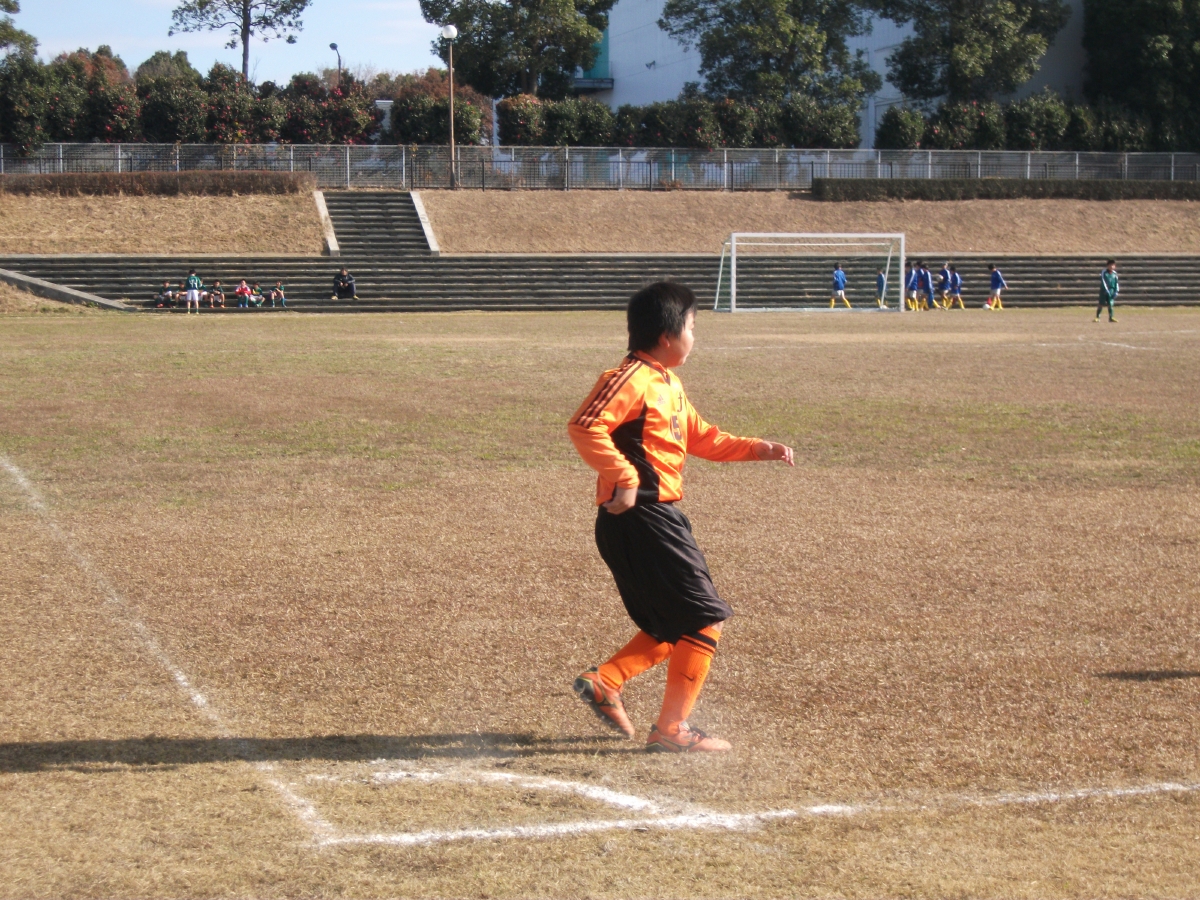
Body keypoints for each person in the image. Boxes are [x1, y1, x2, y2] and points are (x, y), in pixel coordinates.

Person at [567, 281, 795, 753]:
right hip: (641, 519)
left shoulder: (667, 383)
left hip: (657, 519)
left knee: (676, 625)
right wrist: (625, 476)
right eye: (692, 326)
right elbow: (585, 425)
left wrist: (757, 448)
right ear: (667, 335)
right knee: (703, 619)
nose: (695, 336)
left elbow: (702, 437)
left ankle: (607, 680)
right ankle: (672, 731)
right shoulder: (630, 377)